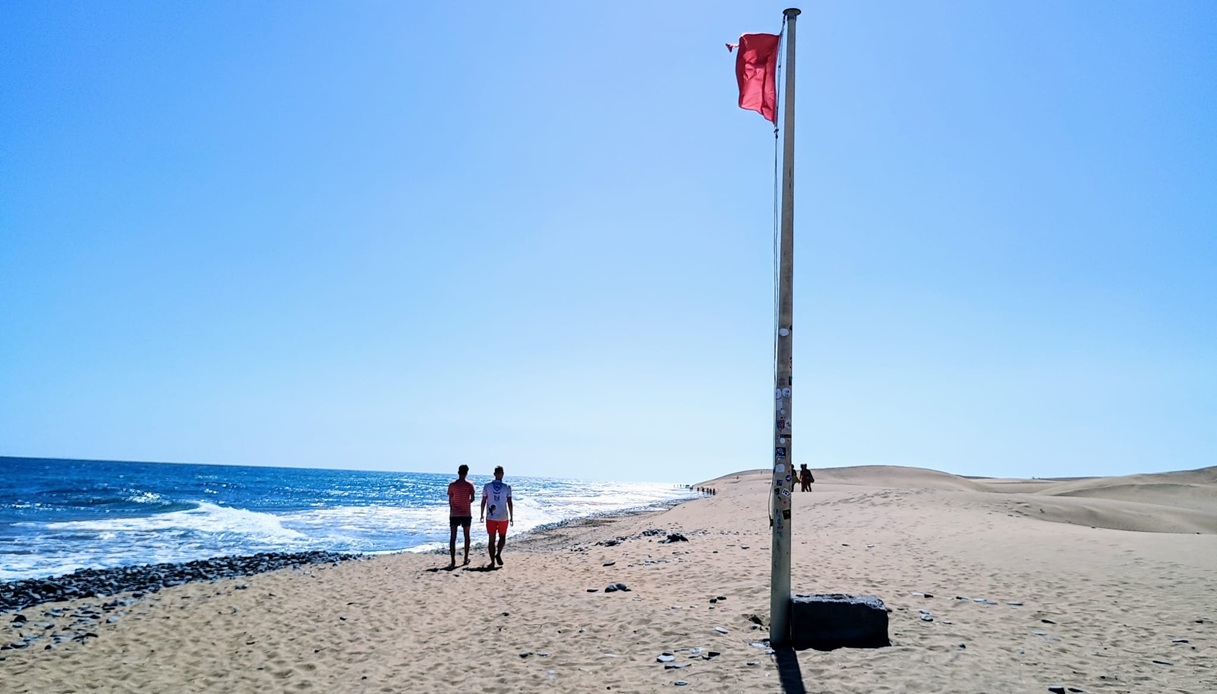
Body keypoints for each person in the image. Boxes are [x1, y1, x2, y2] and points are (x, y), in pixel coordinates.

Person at [479, 465, 513, 567]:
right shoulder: (507, 487)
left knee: (491, 539)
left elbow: (483, 501)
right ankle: (498, 554)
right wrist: (512, 516)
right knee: (502, 537)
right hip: (503, 516)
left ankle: (493, 562)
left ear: (494, 474)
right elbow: (510, 503)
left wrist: (481, 514)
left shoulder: (487, 486)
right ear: (502, 474)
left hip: (491, 517)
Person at [447, 464, 476, 568]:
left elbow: (450, 499)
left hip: (454, 513)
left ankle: (453, 561)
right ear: (467, 473)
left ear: (458, 472)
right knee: (466, 536)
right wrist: (466, 502)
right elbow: (472, 498)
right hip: (466, 513)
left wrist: (453, 506)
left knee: (453, 537)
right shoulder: (470, 485)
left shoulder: (452, 485)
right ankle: (465, 558)